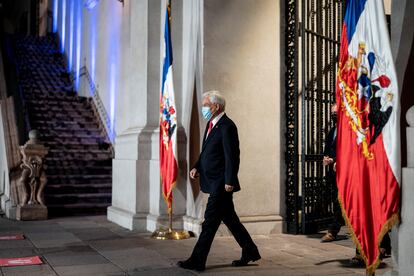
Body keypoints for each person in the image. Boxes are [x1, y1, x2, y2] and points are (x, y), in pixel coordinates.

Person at [177, 90, 261, 271]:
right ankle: (250, 250)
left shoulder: (227, 126)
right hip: (213, 181)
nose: (203, 108)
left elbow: (232, 157)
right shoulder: (212, 124)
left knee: (209, 223)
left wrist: (230, 180)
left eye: (206, 105)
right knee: (230, 219)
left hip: (221, 184)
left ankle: (197, 260)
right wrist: (197, 167)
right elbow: (207, 151)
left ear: (216, 106)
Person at [321, 103, 344, 242]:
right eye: (332, 113)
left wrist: (335, 159)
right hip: (333, 172)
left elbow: (347, 150)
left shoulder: (347, 131)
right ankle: (385, 243)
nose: (334, 115)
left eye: (336, 112)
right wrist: (326, 158)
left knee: (340, 201)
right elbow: (328, 148)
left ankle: (333, 230)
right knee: (338, 201)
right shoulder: (333, 130)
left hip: (344, 172)